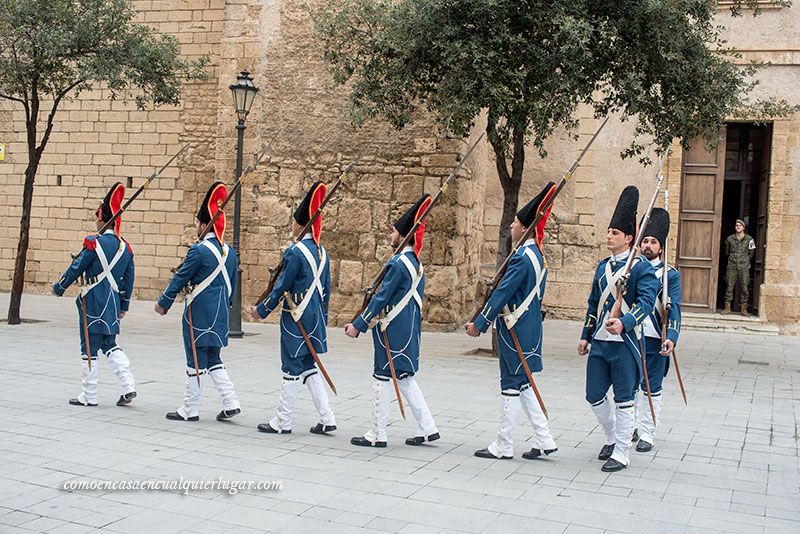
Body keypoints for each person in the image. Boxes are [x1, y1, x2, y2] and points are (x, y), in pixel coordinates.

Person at [465, 183, 559, 461]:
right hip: (528, 327)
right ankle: (545, 439)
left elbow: (502, 293)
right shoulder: (537, 257)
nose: (512, 227)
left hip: (515, 328)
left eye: (516, 223)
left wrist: (480, 324)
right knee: (523, 383)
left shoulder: (522, 258)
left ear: (526, 228)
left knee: (510, 383)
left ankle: (503, 445)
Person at [345, 194, 440, 448]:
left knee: (382, 377)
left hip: (393, 330)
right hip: (408, 329)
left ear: (402, 235)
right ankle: (428, 427)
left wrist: (358, 325)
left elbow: (381, 298)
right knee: (404, 377)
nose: (390, 235)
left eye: (394, 231)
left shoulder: (398, 264)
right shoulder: (416, 265)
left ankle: (377, 434)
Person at [577, 186, 658, 472]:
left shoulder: (641, 268)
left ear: (628, 238)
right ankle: (612, 437)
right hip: (600, 343)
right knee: (594, 395)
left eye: (614, 232)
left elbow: (647, 302)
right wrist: (586, 336)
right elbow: (593, 304)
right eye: (608, 231)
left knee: (624, 398)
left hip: (625, 344)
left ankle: (622, 452)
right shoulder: (603, 268)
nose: (608, 235)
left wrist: (625, 321)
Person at [251, 181, 336, 435]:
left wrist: (262, 309)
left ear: (301, 224)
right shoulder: (322, 253)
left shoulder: (295, 252)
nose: (292, 225)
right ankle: (327, 417)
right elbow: (327, 291)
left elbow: (281, 287)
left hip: (296, 318)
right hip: (315, 317)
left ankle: (282, 421)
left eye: (294, 221)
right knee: (309, 366)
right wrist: (323, 317)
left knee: (291, 367)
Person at [155, 181, 241, 422]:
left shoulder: (199, 250)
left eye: (197, 224)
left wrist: (164, 301)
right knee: (213, 358)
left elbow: (181, 277)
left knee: (195, 358)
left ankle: (189, 409)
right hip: (221, 313)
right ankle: (230, 401)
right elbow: (231, 285)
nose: (196, 228)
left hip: (199, 313)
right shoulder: (230, 253)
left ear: (205, 225)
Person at [52, 182, 137, 408]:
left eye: (98, 218)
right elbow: (128, 280)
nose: (96, 222)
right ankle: (128, 385)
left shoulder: (94, 243)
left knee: (88, 346)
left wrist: (60, 286)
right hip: (111, 301)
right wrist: (124, 305)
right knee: (109, 342)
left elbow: (76, 268)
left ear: (103, 219)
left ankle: (89, 395)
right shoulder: (125, 248)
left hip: (92, 299)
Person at [632, 207, 681, 453]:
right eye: (645, 241)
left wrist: (671, 336)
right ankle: (629, 424)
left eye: (653, 242)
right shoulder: (631, 268)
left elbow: (674, 309)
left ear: (661, 247)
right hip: (630, 335)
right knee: (628, 384)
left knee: (651, 386)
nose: (648, 245)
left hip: (654, 337)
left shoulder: (670, 275)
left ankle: (647, 432)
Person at [723, 219, 755, 316]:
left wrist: (744, 260)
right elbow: (727, 252)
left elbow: (751, 253)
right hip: (732, 265)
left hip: (744, 266)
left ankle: (743, 309)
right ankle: (727, 308)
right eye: (736, 225)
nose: (738, 227)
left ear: (743, 228)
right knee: (729, 286)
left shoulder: (749, 239)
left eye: (740, 225)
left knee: (744, 287)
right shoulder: (729, 239)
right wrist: (732, 259)